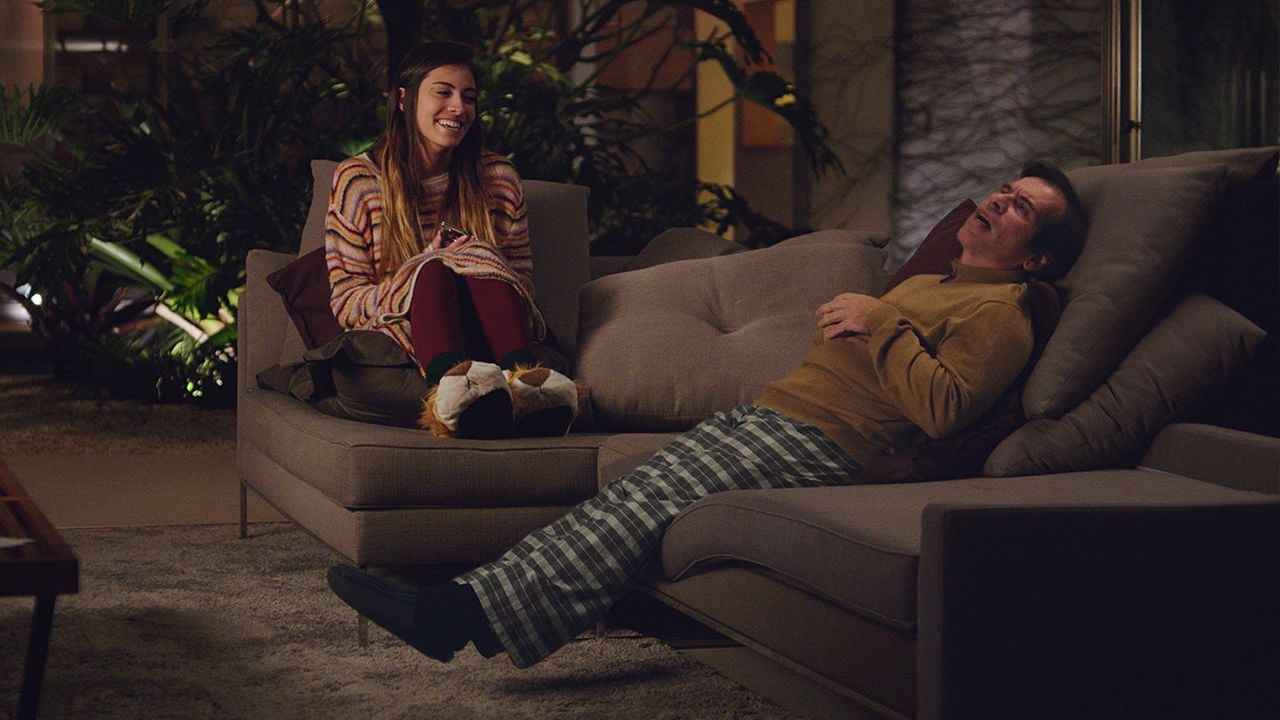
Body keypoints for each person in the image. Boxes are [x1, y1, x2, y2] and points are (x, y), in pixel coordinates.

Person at [327, 160, 1088, 669]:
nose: (997, 202)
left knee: (642, 506)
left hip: (824, 442)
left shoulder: (1005, 312)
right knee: (629, 497)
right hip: (777, 416)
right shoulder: (940, 283)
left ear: (1037, 259)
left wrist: (878, 319)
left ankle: (459, 616)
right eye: (1003, 190)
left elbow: (946, 409)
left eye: (1021, 207)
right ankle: (470, 604)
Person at [325, 41, 578, 439]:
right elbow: (346, 302)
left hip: (491, 326)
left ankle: (525, 385)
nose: (459, 108)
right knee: (435, 269)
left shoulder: (498, 179)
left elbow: (523, 287)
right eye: (443, 92)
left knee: (471, 258)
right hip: (405, 329)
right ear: (404, 100)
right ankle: (454, 390)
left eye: (469, 97)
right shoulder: (359, 182)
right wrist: (424, 266)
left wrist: (473, 260)